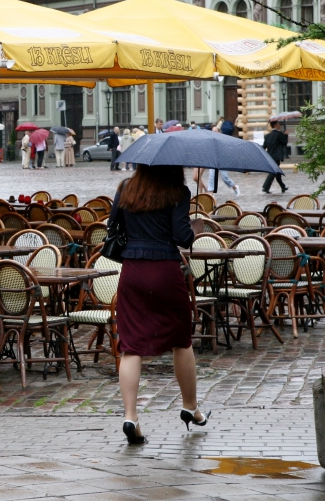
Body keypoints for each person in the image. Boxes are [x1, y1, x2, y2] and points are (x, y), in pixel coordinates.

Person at [107, 165, 209, 445]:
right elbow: (181, 237)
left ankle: (131, 417)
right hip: (165, 271)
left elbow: (113, 225)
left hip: (133, 271)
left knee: (130, 346)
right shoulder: (178, 192)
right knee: (181, 340)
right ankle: (190, 407)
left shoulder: (126, 187)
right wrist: (195, 228)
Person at [208, 124, 240, 196]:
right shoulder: (210, 141)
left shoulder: (222, 140)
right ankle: (210, 194)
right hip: (214, 160)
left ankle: (234, 187)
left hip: (222, 160)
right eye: (213, 131)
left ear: (219, 132)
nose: (214, 133)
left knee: (224, 177)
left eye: (215, 131)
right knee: (211, 176)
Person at [262, 120, 289, 194]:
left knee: (277, 172)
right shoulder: (279, 134)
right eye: (278, 124)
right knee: (274, 172)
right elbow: (284, 143)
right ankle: (265, 187)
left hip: (270, 156)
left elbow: (264, 147)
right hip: (277, 156)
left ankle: (283, 187)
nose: (279, 125)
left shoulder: (267, 136)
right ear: (276, 125)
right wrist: (286, 135)